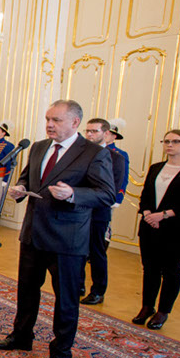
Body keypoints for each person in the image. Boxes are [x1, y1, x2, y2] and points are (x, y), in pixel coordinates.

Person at [0, 99, 114, 358]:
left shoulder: (93, 153)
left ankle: (60, 354)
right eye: (48, 119)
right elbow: (27, 179)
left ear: (75, 122)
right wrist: (20, 188)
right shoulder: (38, 147)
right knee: (26, 290)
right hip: (33, 233)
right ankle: (22, 336)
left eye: (56, 120)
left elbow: (106, 194)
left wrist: (73, 194)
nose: (49, 124)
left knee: (66, 300)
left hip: (67, 240)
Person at [133, 129, 180, 330]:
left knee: (171, 271)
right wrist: (148, 214)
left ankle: (163, 311)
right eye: (166, 141)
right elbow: (146, 196)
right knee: (150, 269)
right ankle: (147, 306)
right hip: (149, 227)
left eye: (175, 141)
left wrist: (163, 215)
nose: (170, 145)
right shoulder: (156, 168)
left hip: (176, 230)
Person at [80, 118, 127, 305]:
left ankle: (98, 291)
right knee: (77, 249)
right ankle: (78, 284)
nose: (89, 135)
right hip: (78, 210)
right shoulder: (80, 153)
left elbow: (112, 187)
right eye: (87, 131)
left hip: (98, 211)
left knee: (96, 252)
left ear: (106, 133)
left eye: (94, 131)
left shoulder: (116, 158)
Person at [106, 119, 129, 205]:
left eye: (108, 133)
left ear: (114, 136)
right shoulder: (93, 150)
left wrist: (117, 198)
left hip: (109, 195)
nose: (105, 135)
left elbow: (123, 178)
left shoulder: (120, 154)